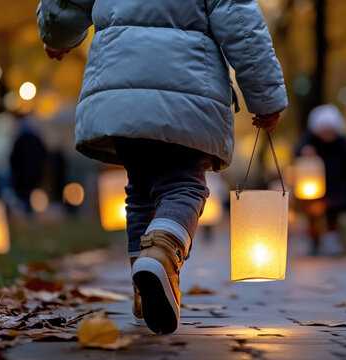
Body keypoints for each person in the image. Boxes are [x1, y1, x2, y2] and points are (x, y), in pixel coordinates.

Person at [37, 0, 287, 334]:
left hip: (119, 93)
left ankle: (145, 291)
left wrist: (56, 34)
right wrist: (266, 98)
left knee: (141, 189)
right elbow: (241, 24)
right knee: (185, 185)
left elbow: (66, 3)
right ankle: (161, 254)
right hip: (188, 95)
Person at [295, 105, 346, 256]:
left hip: (337, 186)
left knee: (334, 213)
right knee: (312, 212)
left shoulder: (343, 144)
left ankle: (332, 240)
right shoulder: (309, 141)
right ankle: (314, 240)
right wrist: (304, 152)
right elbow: (297, 154)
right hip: (313, 187)